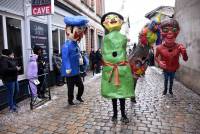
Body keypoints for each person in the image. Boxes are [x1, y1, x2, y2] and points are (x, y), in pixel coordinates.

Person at [101, 12, 134, 123]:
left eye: (115, 18)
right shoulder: (106, 38)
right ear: (105, 23)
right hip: (112, 69)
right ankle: (115, 114)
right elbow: (105, 53)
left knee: (122, 94)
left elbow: (122, 52)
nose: (113, 19)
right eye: (109, 18)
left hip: (121, 69)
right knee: (114, 94)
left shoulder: (123, 38)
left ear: (120, 22)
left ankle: (123, 114)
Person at [155, 19, 188, 96]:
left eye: (174, 30)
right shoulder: (159, 48)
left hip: (174, 68)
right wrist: (159, 62)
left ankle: (170, 90)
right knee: (166, 80)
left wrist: (184, 52)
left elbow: (185, 59)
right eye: (165, 30)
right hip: (166, 68)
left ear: (178, 31)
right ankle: (165, 90)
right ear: (161, 31)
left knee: (172, 80)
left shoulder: (179, 47)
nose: (170, 33)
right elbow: (156, 57)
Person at [61, 16, 88, 105]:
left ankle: (79, 96)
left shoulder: (76, 44)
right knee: (70, 88)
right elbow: (65, 58)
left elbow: (78, 52)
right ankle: (70, 100)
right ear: (69, 30)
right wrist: (68, 67)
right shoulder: (66, 45)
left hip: (76, 71)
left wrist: (80, 57)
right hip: (69, 72)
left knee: (81, 86)